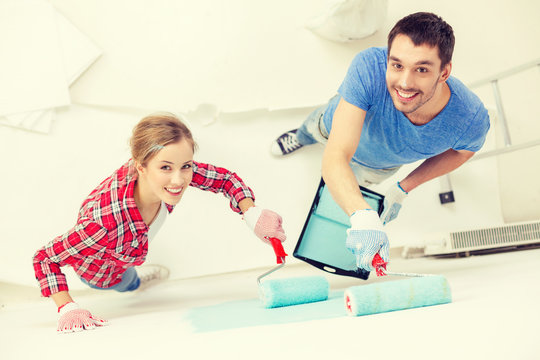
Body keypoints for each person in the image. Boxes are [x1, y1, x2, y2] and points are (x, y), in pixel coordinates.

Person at [271, 12, 490, 272]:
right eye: (396, 65)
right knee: (311, 129)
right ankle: (300, 137)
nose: (405, 83)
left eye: (421, 69)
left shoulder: (470, 118)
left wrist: (403, 187)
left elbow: (463, 152)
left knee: (356, 186)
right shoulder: (368, 66)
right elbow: (336, 155)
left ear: (444, 72)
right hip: (331, 129)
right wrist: (362, 216)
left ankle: (353, 187)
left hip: (378, 167)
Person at [33, 113, 286, 333]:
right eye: (166, 168)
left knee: (132, 265)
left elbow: (225, 180)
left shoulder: (170, 169)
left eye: (186, 166)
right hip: (103, 272)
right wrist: (67, 307)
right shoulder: (101, 223)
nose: (178, 180)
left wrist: (252, 213)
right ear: (140, 167)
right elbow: (45, 258)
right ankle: (138, 282)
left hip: (130, 245)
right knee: (128, 282)